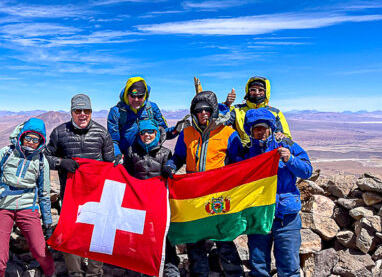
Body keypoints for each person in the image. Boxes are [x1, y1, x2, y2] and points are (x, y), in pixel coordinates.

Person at [163, 91, 244, 277]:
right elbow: (179, 157)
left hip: (219, 196)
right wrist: (171, 165)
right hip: (195, 195)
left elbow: (237, 162)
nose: (203, 113)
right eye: (199, 110)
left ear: (214, 110)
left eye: (207, 109)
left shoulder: (228, 133)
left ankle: (235, 274)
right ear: (194, 112)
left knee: (224, 238)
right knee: (195, 241)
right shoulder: (187, 133)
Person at [0, 118, 54, 277]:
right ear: (21, 136)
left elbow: (44, 194)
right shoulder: (5, 153)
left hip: (28, 207)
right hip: (1, 206)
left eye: (35, 140)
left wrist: (48, 223)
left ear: (41, 142)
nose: (30, 142)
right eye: (28, 137)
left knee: (41, 251)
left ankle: (51, 274)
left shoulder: (42, 161)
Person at [44, 93, 116, 277]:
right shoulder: (60, 132)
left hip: (97, 195)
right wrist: (61, 163)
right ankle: (75, 272)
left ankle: (94, 273)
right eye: (78, 110)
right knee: (70, 234)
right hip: (70, 196)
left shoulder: (102, 133)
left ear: (91, 112)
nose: (82, 114)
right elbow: (45, 157)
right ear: (72, 112)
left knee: (97, 235)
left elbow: (110, 165)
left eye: (87, 110)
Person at [240, 108, 312, 277]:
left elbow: (307, 171)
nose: (260, 132)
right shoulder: (246, 152)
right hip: (258, 217)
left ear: (270, 128)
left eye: (263, 128)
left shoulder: (286, 145)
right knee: (258, 267)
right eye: (256, 128)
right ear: (250, 130)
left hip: (285, 217)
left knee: (289, 266)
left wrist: (290, 160)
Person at [123, 119, 180, 277]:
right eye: (143, 132)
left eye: (150, 132)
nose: (146, 135)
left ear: (156, 133)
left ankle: (170, 267)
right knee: (138, 238)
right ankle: (138, 268)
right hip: (138, 204)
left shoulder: (165, 153)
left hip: (158, 204)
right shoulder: (131, 152)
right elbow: (125, 176)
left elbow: (170, 178)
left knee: (162, 236)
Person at [107, 76, 188, 158]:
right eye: (133, 96)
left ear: (145, 95)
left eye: (140, 96)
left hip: (149, 159)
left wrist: (176, 130)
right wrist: (118, 155)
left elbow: (163, 133)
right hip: (127, 159)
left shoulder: (152, 108)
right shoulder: (116, 112)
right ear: (127, 94)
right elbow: (113, 140)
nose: (136, 100)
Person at [228, 76, 292, 146]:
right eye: (253, 90)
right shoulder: (236, 110)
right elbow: (218, 123)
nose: (257, 93)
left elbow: (286, 136)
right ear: (247, 91)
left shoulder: (275, 113)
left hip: (267, 152)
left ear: (266, 92)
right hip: (243, 152)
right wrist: (226, 105)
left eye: (261, 90)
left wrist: (281, 136)